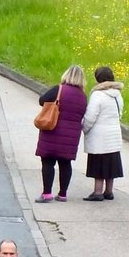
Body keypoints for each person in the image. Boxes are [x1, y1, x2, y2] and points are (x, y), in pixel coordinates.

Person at [35, 65, 88, 202]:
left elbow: (42, 100)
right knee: (65, 163)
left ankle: (47, 194)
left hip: (52, 131)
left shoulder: (59, 89)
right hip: (71, 136)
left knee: (48, 162)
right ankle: (63, 194)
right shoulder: (83, 96)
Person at [81, 66, 124, 201]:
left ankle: (97, 192)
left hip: (99, 136)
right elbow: (119, 114)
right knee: (111, 163)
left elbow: (90, 116)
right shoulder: (117, 95)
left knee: (98, 164)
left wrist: (84, 128)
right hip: (113, 134)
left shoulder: (97, 95)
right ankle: (108, 191)